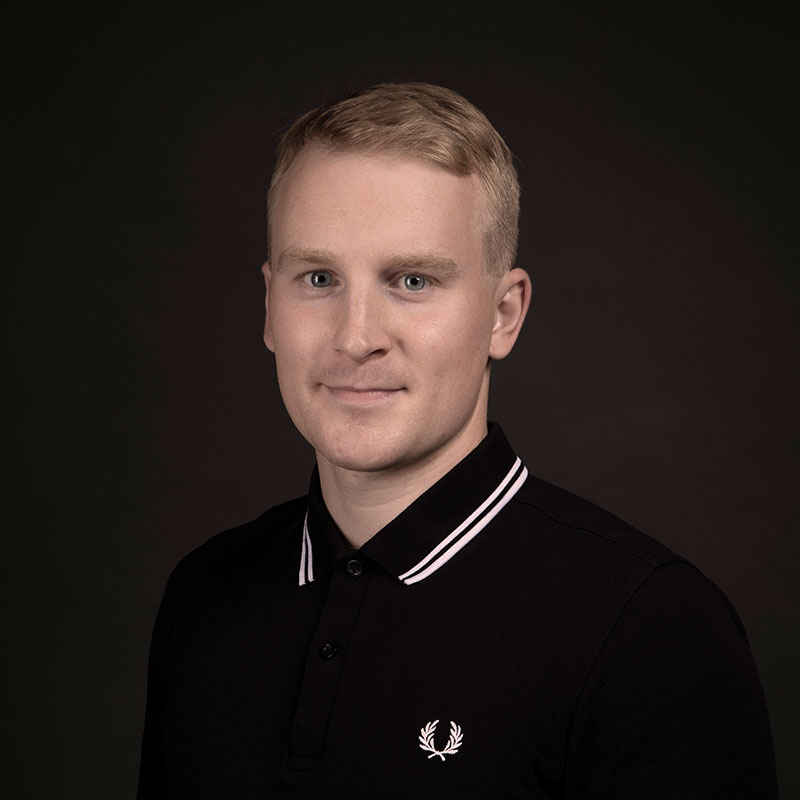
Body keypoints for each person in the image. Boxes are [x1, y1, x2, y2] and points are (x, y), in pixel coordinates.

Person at [137, 82, 778, 798]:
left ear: (504, 314)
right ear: (268, 305)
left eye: (412, 281)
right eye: (317, 278)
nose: (356, 336)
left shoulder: (650, 628)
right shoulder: (204, 596)